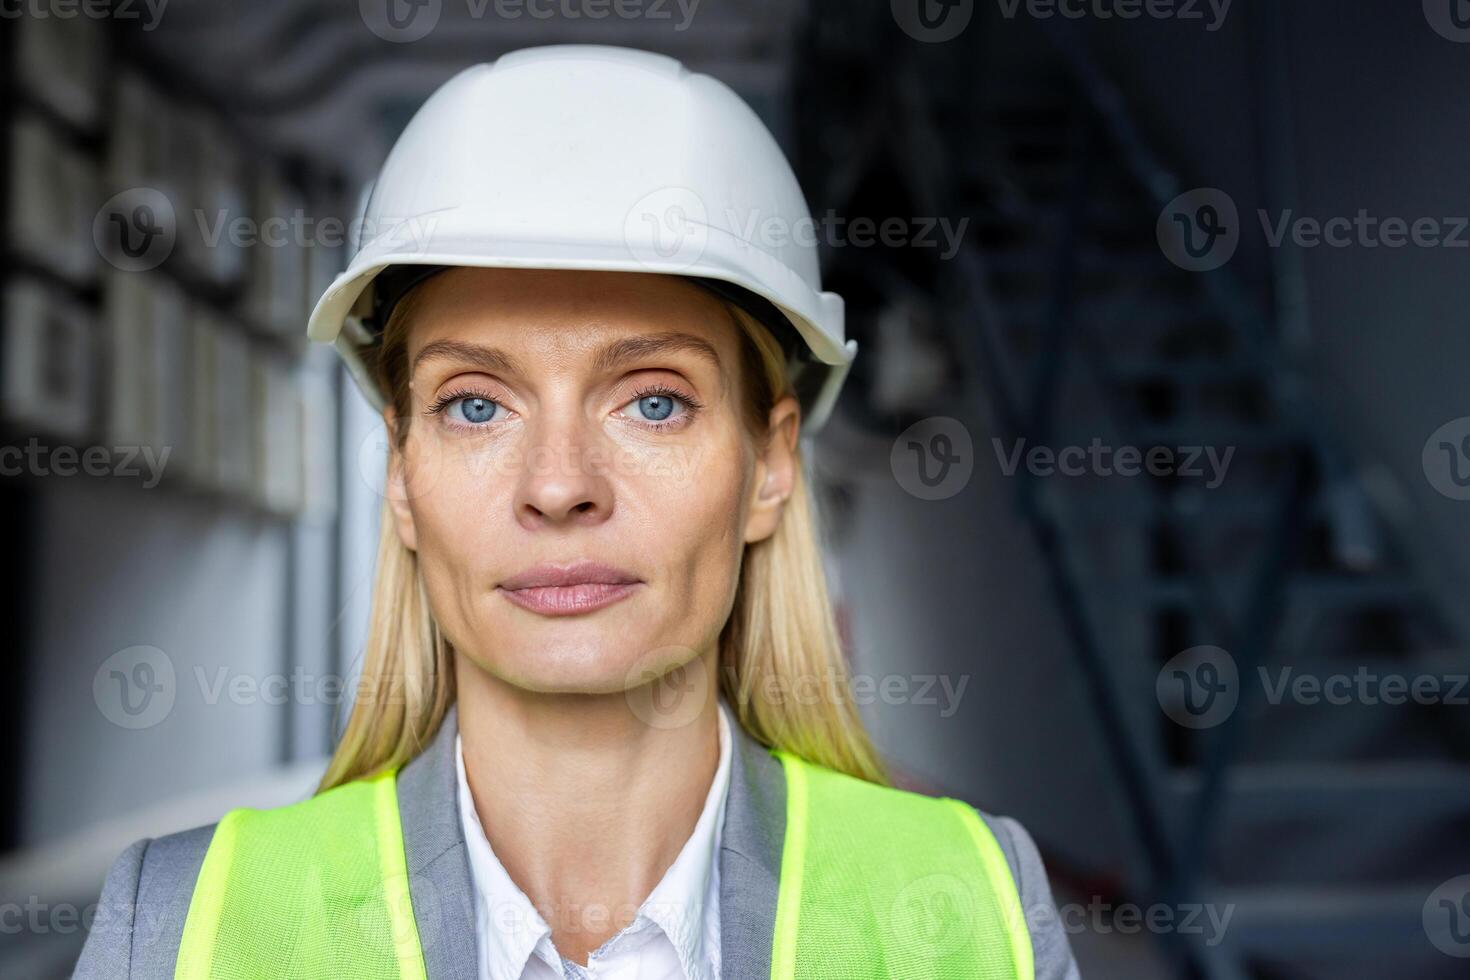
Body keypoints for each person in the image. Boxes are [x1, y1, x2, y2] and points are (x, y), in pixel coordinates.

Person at [75, 45, 1080, 979]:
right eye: (476, 403)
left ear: (770, 463)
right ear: (402, 473)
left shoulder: (975, 906)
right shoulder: (181, 926)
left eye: (653, 399)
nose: (558, 484)